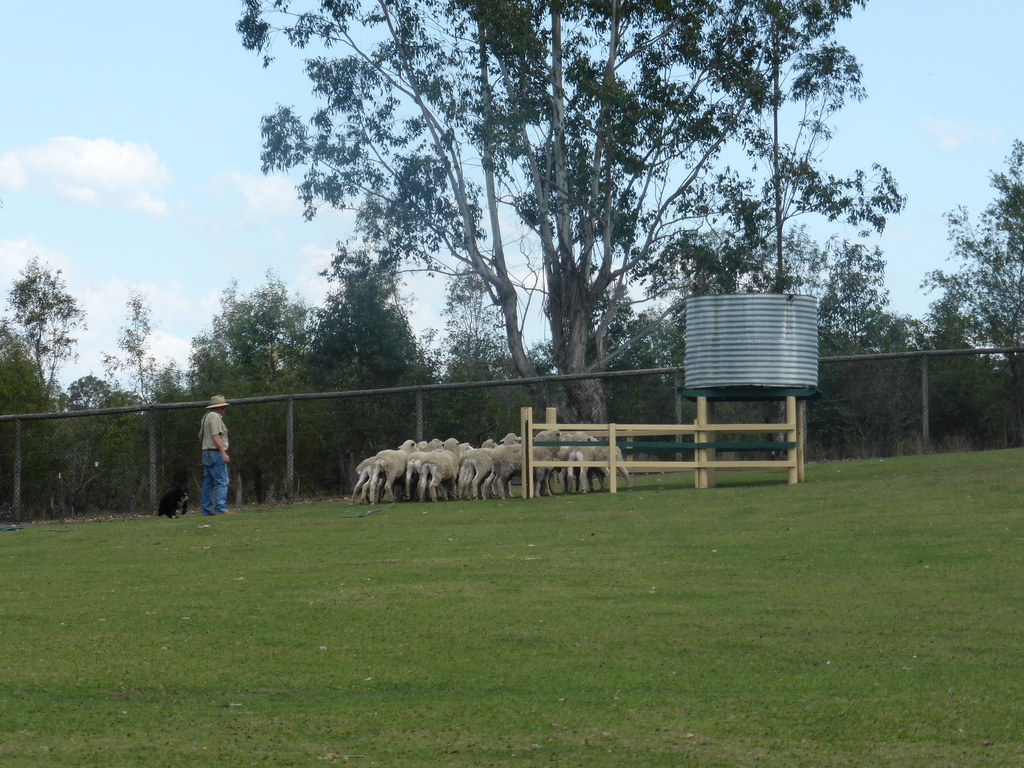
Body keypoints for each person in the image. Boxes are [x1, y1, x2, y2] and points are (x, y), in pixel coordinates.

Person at [199, 394, 231, 515]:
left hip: (206, 452)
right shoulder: (215, 417)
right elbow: (215, 435)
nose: (224, 410)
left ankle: (206, 509)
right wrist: (223, 452)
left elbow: (200, 436)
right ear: (218, 408)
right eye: (223, 408)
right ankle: (220, 509)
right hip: (215, 452)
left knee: (208, 482)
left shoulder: (205, 417)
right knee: (222, 481)